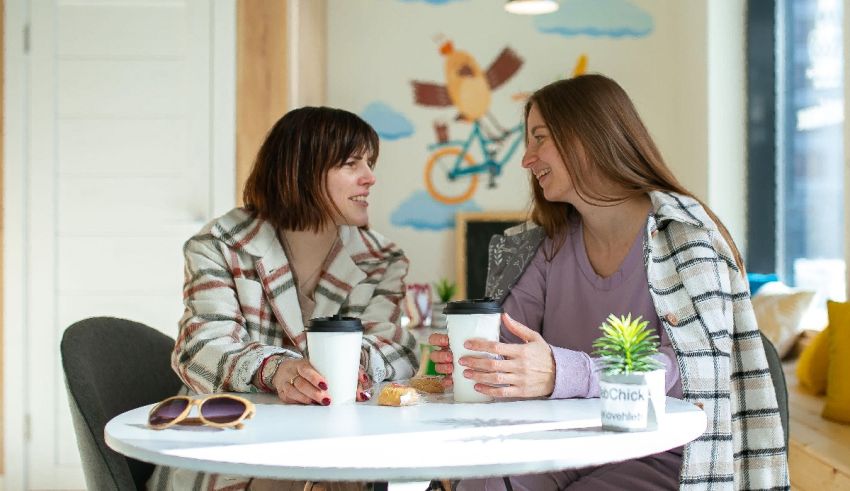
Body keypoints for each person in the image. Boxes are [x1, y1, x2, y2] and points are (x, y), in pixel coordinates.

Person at [429, 74, 789, 490]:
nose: (527, 159)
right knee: (480, 485)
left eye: (539, 138)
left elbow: (689, 370)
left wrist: (562, 373)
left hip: (662, 451)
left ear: (587, 137)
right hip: (564, 443)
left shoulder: (685, 237)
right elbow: (514, 342)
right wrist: (478, 357)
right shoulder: (546, 246)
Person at [149, 106, 419, 491]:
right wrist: (276, 369)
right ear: (302, 170)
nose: (370, 177)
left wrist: (355, 362)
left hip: (340, 451)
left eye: (370, 162)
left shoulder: (380, 259)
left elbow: (397, 349)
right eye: (351, 163)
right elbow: (199, 349)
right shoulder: (220, 245)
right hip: (235, 448)